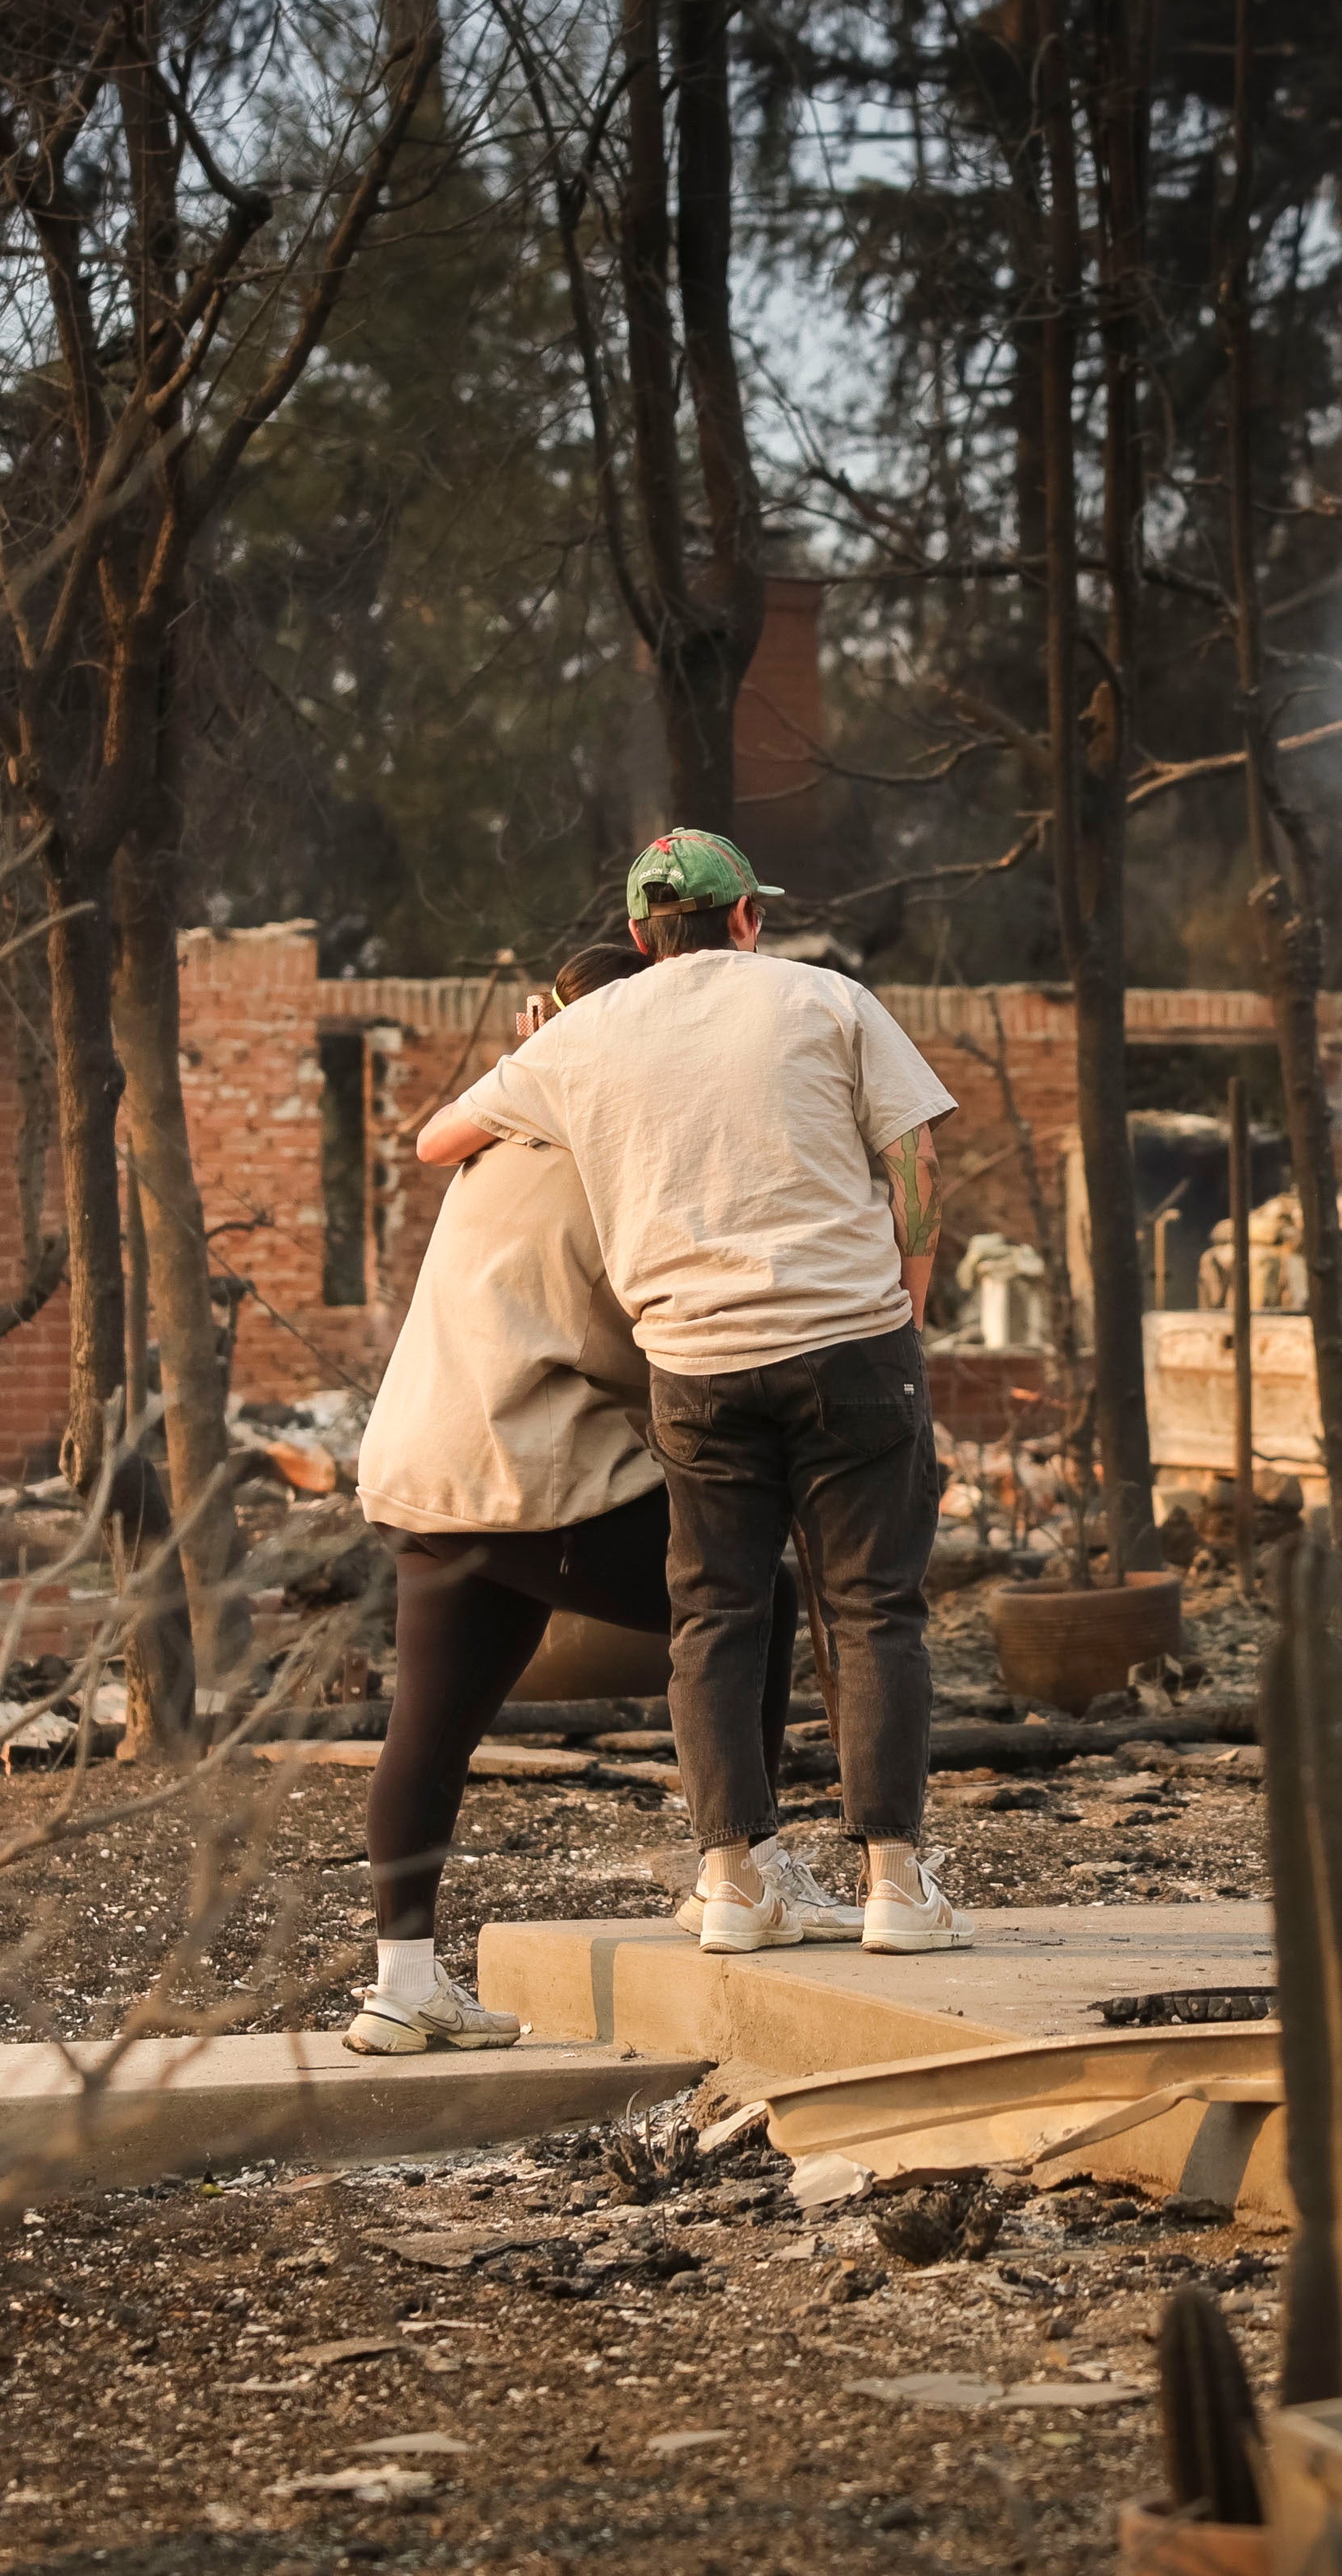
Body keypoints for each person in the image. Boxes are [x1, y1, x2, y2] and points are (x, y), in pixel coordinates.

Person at [414, 829, 968, 1955]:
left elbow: (435, 1141)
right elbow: (914, 1161)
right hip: (851, 1342)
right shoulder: (828, 999)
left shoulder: (590, 1033)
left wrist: (543, 1061)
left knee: (716, 1612)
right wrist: (906, 1309)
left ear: (636, 935)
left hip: (698, 1364)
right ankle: (894, 1886)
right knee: (872, 1610)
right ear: (748, 917)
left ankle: (730, 1881)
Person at [341, 940, 843, 2056]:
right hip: (528, 1465)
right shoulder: (619, 1142)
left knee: (431, 1723)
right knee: (744, 1591)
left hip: (426, 1465)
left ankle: (403, 1984)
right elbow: (671, 1323)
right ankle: (742, 1870)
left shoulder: (508, 1127)